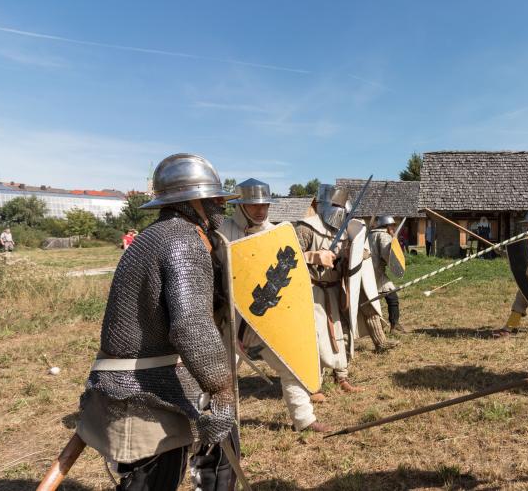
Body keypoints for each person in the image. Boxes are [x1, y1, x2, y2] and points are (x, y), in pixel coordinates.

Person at [75, 153, 240, 490]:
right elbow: (191, 326)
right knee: (153, 481)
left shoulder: (152, 237)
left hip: (133, 381)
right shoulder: (183, 239)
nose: (221, 203)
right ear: (192, 201)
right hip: (149, 388)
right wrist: (222, 391)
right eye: (214, 197)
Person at [219, 178, 329, 433]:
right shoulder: (223, 233)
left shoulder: (275, 234)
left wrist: (312, 256)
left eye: (264, 205)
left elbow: (291, 262)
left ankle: (304, 419)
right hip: (233, 319)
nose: (261, 210)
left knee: (292, 364)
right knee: (220, 376)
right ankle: (217, 422)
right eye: (254, 205)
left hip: (269, 317)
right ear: (241, 205)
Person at [294, 184, 362, 394]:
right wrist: (313, 256)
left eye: (341, 206)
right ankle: (314, 384)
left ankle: (341, 376)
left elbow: (360, 256)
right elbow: (287, 257)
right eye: (334, 205)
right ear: (323, 205)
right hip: (312, 290)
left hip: (335, 288)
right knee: (315, 335)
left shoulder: (347, 229)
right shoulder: (306, 227)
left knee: (339, 331)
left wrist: (354, 255)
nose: (338, 210)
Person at [493, 210, 528, 339]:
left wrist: (501, 251)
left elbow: (520, 255)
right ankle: (509, 328)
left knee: (521, 301)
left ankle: (508, 329)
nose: (527, 226)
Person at [369, 216, 407, 334]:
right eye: (392, 226)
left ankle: (392, 324)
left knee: (385, 296)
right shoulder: (383, 236)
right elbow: (388, 255)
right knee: (391, 298)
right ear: (387, 226)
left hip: (367, 271)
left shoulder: (369, 235)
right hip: (376, 272)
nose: (394, 228)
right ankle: (392, 325)